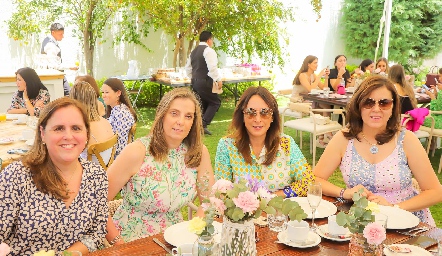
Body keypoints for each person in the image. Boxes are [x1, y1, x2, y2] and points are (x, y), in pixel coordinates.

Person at [313, 76, 442, 226]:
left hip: (406, 222)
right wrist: (344, 193)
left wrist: (394, 208)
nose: (376, 109)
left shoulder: (406, 140)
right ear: (358, 105)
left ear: (393, 107)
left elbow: (435, 191)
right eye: (368, 102)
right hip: (360, 222)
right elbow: (315, 179)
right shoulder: (344, 139)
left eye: (384, 103)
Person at [0, 97, 108, 255]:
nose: (68, 136)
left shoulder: (97, 176)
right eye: (58, 128)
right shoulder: (16, 177)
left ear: (86, 134)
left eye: (76, 128)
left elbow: (96, 233)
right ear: (43, 133)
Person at [106, 87, 214, 243]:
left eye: (188, 116)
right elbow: (98, 202)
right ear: (162, 115)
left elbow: (208, 202)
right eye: (174, 113)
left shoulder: (198, 153)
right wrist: (118, 242)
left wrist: (192, 234)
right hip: (132, 240)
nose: (180, 121)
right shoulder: (137, 152)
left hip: (176, 239)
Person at [215, 86, 315, 197]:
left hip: (280, 212)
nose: (257, 119)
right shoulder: (226, 146)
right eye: (250, 112)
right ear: (242, 115)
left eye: (265, 112)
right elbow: (222, 192)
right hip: (244, 213)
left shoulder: (286, 144)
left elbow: (308, 182)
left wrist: (273, 197)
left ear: (273, 117)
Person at [185, 31, 222, 135]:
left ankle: (198, 125)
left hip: (195, 81)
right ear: (209, 40)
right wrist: (218, 79)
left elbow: (187, 68)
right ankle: (203, 124)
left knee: (202, 102)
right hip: (205, 81)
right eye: (212, 41)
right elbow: (212, 68)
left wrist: (193, 78)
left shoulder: (194, 51)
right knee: (215, 102)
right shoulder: (208, 51)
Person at [70, 81, 115, 165]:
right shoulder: (105, 121)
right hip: (105, 168)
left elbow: (71, 154)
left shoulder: (82, 128)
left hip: (89, 172)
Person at [292, 55, 332, 147]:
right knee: (320, 111)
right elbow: (310, 89)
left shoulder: (313, 75)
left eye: (317, 62)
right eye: (315, 63)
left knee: (326, 106)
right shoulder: (303, 75)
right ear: (308, 64)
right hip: (298, 102)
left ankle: (324, 136)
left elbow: (324, 88)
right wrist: (319, 76)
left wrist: (326, 77)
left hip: (309, 100)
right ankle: (326, 135)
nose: (317, 65)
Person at [101, 78, 137, 158]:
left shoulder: (121, 114)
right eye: (103, 92)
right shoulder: (117, 109)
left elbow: (120, 147)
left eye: (107, 92)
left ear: (118, 93)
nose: (103, 95)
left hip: (117, 160)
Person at [41, 23, 79, 96]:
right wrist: (70, 67)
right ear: (53, 33)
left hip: (54, 75)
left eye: (62, 34)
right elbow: (54, 65)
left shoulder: (48, 40)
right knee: (68, 94)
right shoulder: (50, 45)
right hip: (54, 75)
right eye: (60, 34)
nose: (62, 36)